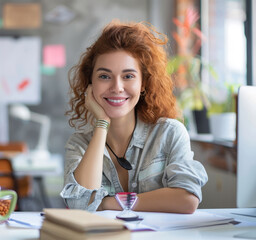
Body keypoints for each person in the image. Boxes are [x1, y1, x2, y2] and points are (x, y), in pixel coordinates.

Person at [60, 20, 208, 213]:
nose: (116, 87)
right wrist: (102, 123)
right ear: (90, 85)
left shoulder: (169, 133)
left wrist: (110, 203)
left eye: (128, 76)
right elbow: (79, 206)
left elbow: (187, 199)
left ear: (144, 84)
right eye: (104, 76)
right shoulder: (79, 144)